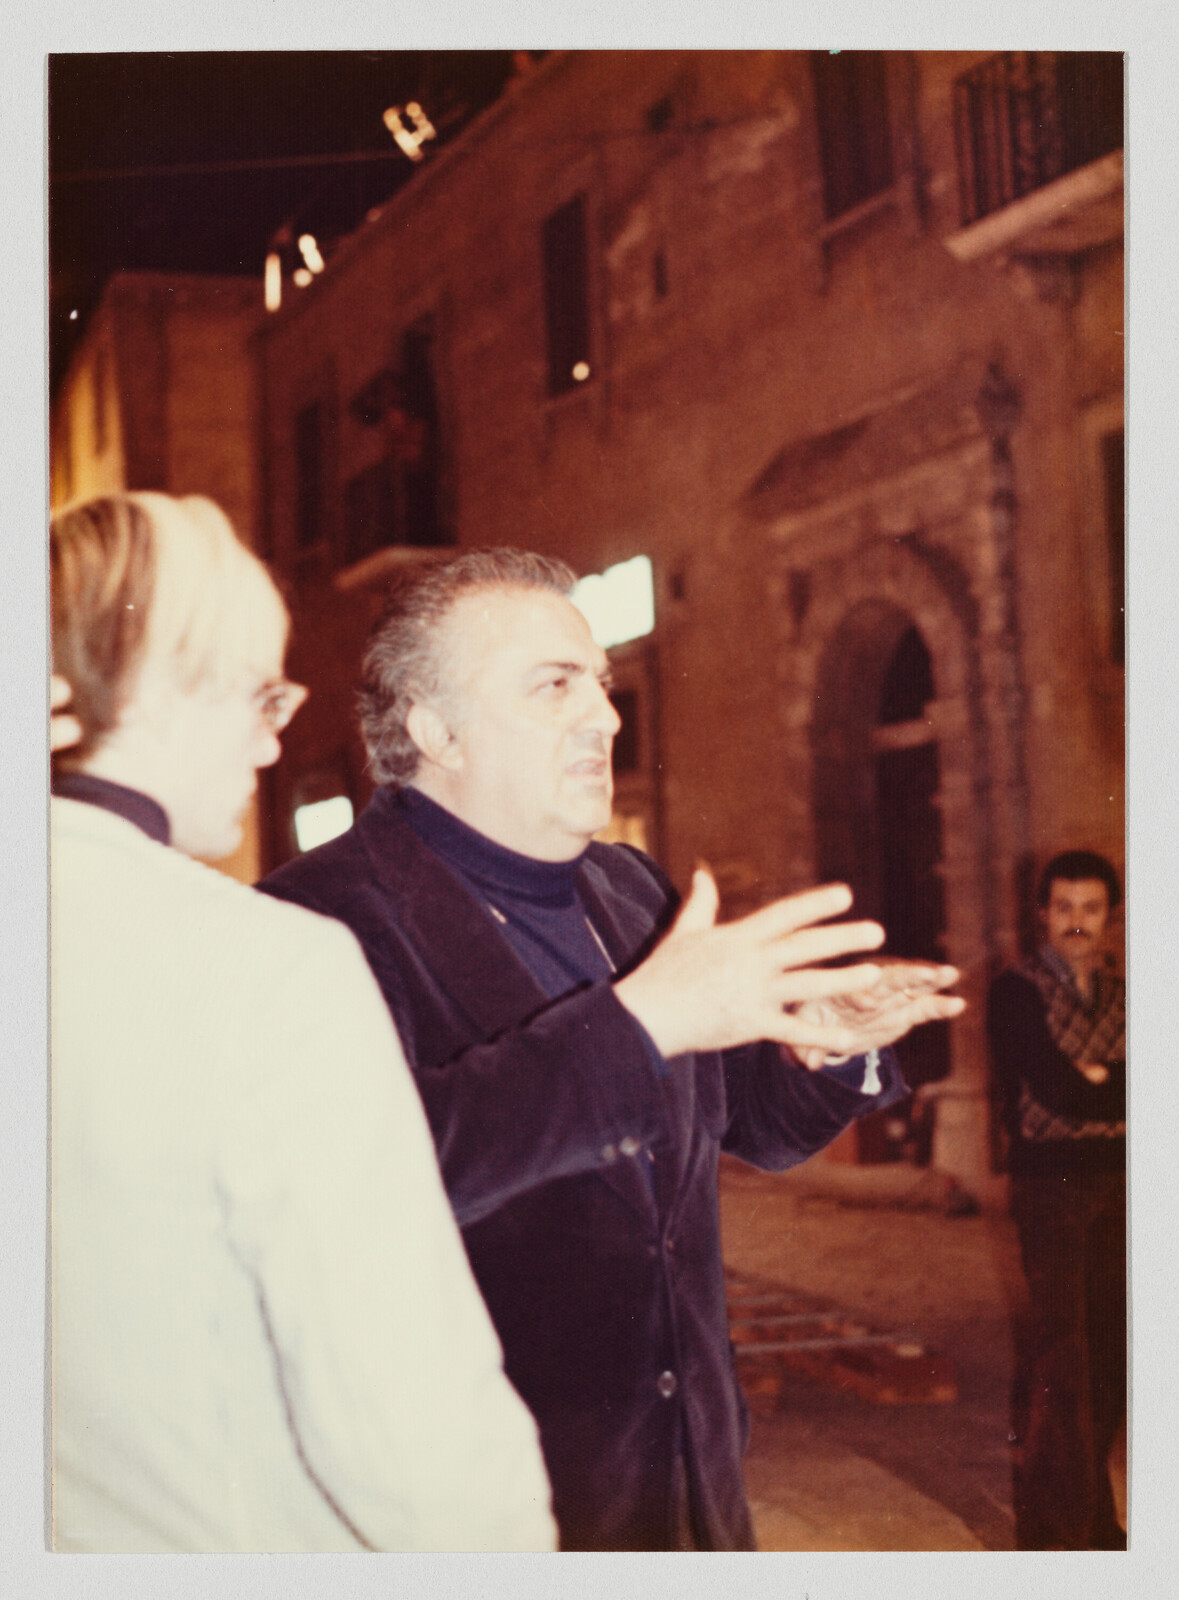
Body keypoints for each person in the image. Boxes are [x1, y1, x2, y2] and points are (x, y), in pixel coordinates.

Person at [259, 548, 965, 1550]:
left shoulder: (628, 890)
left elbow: (746, 1126)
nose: (607, 714)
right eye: (556, 685)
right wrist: (639, 1027)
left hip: (685, 1496)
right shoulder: (310, 924)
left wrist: (825, 1053)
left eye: (597, 680)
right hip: (474, 1519)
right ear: (433, 727)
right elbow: (360, 1186)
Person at [50, 495, 555, 1553]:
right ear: (160, 679)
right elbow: (410, 1420)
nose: (270, 741)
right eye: (259, 692)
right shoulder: (264, 964)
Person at [987, 850, 1127, 1549]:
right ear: (1042, 913)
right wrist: (1106, 1079)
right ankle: (1055, 1540)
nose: (1077, 923)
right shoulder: (1015, 992)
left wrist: (1094, 1078)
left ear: (1109, 916)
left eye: (1091, 908)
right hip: (1048, 1188)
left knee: (1114, 1359)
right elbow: (1048, 1086)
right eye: (1064, 908)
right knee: (1063, 1360)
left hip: (1123, 1183)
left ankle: (1094, 1522)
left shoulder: (1127, 994)